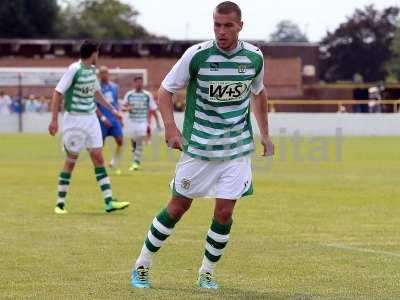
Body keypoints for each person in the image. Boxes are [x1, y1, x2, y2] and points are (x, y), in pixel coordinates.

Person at [129, 1, 274, 289]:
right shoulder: (196, 55)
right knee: (177, 207)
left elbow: (259, 93)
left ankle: (206, 271)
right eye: (217, 25)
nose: (221, 31)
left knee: (224, 213)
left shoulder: (254, 58)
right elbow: (165, 91)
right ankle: (142, 264)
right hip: (198, 149)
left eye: (228, 25)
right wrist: (171, 128)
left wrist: (265, 135)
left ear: (240, 26)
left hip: (236, 150)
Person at [48, 40, 130, 214]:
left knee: (98, 158)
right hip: (74, 120)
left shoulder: (92, 71)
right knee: (71, 160)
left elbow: (97, 94)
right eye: (98, 52)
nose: (98, 56)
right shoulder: (74, 70)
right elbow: (57, 93)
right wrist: (54, 120)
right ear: (93, 53)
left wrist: (113, 110)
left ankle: (109, 202)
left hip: (91, 119)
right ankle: (60, 204)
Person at [122, 76, 159, 171]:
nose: (139, 84)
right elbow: (123, 107)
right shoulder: (129, 94)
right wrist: (128, 108)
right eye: (137, 82)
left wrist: (158, 122)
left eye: (141, 82)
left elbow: (153, 109)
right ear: (134, 83)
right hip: (132, 121)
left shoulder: (147, 95)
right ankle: (135, 151)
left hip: (143, 121)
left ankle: (136, 162)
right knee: (134, 140)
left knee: (139, 139)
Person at [96, 66, 124, 175]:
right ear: (99, 75)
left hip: (114, 119)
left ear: (108, 74)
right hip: (102, 120)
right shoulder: (96, 88)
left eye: (105, 73)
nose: (104, 75)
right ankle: (100, 166)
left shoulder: (114, 87)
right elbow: (95, 106)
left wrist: (119, 116)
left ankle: (114, 163)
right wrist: (102, 118)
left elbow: (115, 104)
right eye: (101, 73)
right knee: (99, 145)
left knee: (120, 141)